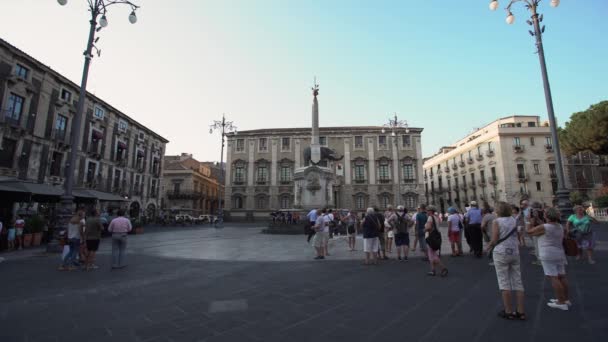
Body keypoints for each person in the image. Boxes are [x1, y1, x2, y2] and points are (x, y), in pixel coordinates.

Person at [486, 201, 525, 320]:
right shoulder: (513, 219)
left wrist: (488, 246)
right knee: (517, 281)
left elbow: (495, 238)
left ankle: (508, 311)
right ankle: (520, 311)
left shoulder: (496, 221)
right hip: (514, 251)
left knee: (504, 281)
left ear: (498, 210)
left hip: (501, 252)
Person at [528, 207, 571, 311]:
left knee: (554, 278)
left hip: (548, 253)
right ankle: (565, 299)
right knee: (562, 276)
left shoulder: (545, 227)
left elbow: (529, 232)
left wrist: (529, 221)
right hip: (559, 252)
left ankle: (561, 302)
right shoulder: (560, 226)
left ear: (546, 216)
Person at [424, 206, 448, 276]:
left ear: (430, 211)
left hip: (431, 237)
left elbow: (428, 227)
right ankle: (432, 270)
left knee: (433, 254)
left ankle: (443, 268)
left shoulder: (430, 217)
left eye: (427, 210)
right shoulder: (436, 217)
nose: (426, 212)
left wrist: (424, 230)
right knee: (431, 254)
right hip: (436, 237)